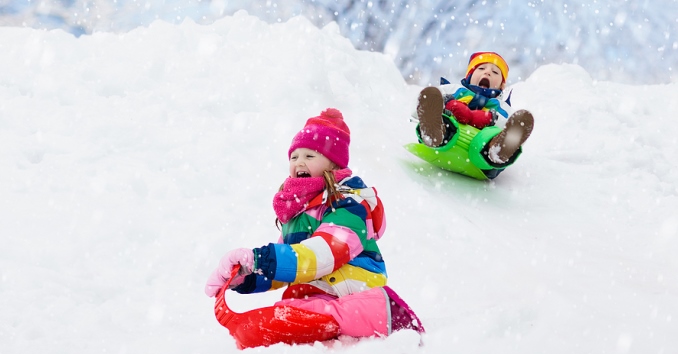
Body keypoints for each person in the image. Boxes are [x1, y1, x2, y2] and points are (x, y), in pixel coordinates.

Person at [205, 108, 424, 338]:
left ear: (334, 166)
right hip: (316, 292)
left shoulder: (348, 203)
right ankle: (308, 317)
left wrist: (262, 258)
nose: (299, 162)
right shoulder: (298, 211)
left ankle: (383, 310)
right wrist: (247, 274)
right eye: (294, 157)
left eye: (309, 156)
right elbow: (289, 266)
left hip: (350, 288)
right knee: (292, 311)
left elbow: (325, 252)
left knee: (308, 314)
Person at [413, 51, 534, 179]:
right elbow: (420, 107)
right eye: (481, 68)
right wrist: (446, 104)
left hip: (482, 156)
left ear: (502, 85)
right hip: (446, 137)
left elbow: (510, 129)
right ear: (469, 75)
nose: (487, 72)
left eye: (495, 72)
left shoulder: (500, 106)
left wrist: (490, 118)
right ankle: (434, 133)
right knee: (446, 119)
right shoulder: (454, 90)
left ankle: (497, 150)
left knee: (490, 135)